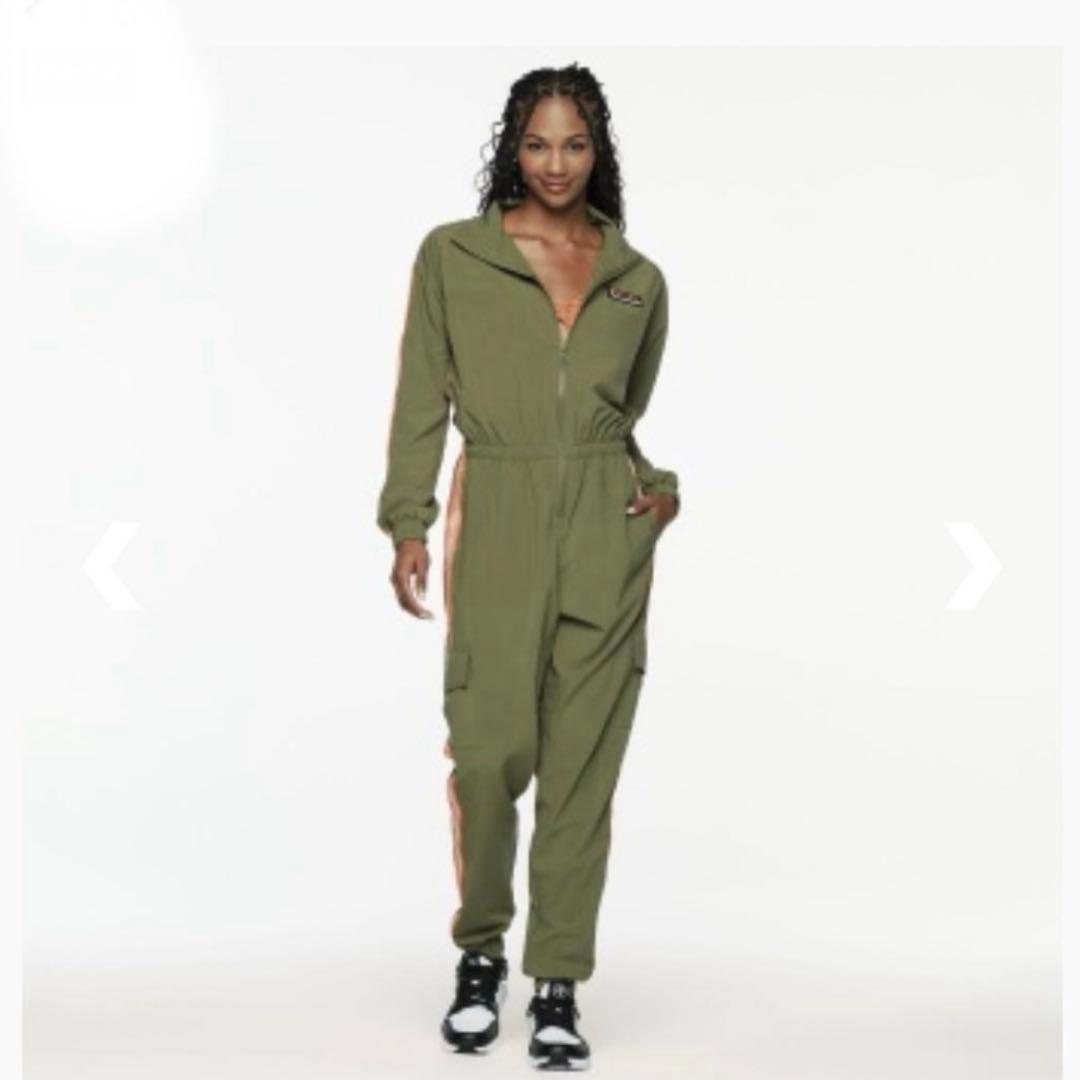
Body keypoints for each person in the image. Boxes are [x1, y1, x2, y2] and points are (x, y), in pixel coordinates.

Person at [377, 63, 680, 1070]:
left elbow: (619, 414)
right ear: (513, 146)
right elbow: (421, 395)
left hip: (605, 531)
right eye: (539, 143)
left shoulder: (636, 278)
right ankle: (480, 955)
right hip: (498, 511)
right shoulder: (454, 256)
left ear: (600, 151)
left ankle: (557, 982)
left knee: (583, 771)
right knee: (488, 750)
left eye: (575, 144)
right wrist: (409, 519)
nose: (556, 164)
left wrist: (658, 491)